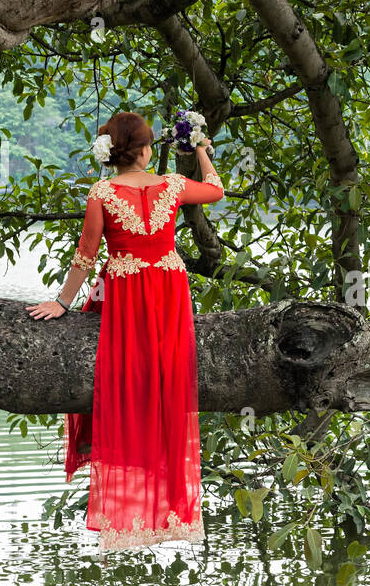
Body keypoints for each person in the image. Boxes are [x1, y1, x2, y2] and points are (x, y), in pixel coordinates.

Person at [26, 111, 225, 550]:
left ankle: (129, 490)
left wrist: (61, 303)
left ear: (111, 153)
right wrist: (202, 151)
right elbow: (215, 190)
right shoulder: (172, 184)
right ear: (145, 150)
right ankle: (171, 501)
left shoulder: (101, 192)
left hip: (128, 287)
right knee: (166, 377)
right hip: (168, 288)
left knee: (125, 376)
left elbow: (86, 256)